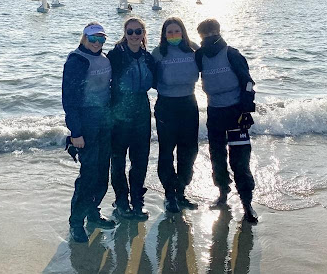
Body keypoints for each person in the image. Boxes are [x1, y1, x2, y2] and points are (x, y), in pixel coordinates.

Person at [195, 18, 258, 223]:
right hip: (214, 112)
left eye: (213, 34)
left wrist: (246, 110)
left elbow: (248, 83)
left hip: (236, 113)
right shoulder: (200, 56)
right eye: (205, 36)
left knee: (240, 160)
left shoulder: (232, 54)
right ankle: (222, 193)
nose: (210, 38)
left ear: (219, 32)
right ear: (201, 37)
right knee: (217, 156)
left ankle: (247, 203)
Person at [62, 22, 115, 243]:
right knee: (88, 175)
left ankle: (93, 212)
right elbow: (69, 99)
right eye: (93, 38)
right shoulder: (76, 61)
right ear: (84, 38)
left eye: (101, 39)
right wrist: (75, 132)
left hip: (105, 121)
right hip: (86, 122)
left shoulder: (104, 58)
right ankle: (76, 222)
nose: (97, 43)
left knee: (103, 172)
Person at [108, 17, 155, 220]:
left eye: (138, 32)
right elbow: (99, 80)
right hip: (119, 111)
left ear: (144, 34)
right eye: (130, 32)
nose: (134, 35)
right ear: (125, 34)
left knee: (140, 159)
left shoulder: (148, 57)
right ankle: (121, 201)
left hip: (142, 110)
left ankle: (137, 199)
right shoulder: (114, 55)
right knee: (118, 160)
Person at [151, 17, 200, 213]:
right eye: (169, 32)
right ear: (164, 34)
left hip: (189, 103)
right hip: (166, 105)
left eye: (176, 31)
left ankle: (181, 191)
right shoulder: (158, 52)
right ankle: (169, 194)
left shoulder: (193, 48)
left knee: (189, 151)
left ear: (183, 32)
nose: (173, 35)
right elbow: (151, 79)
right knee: (166, 152)